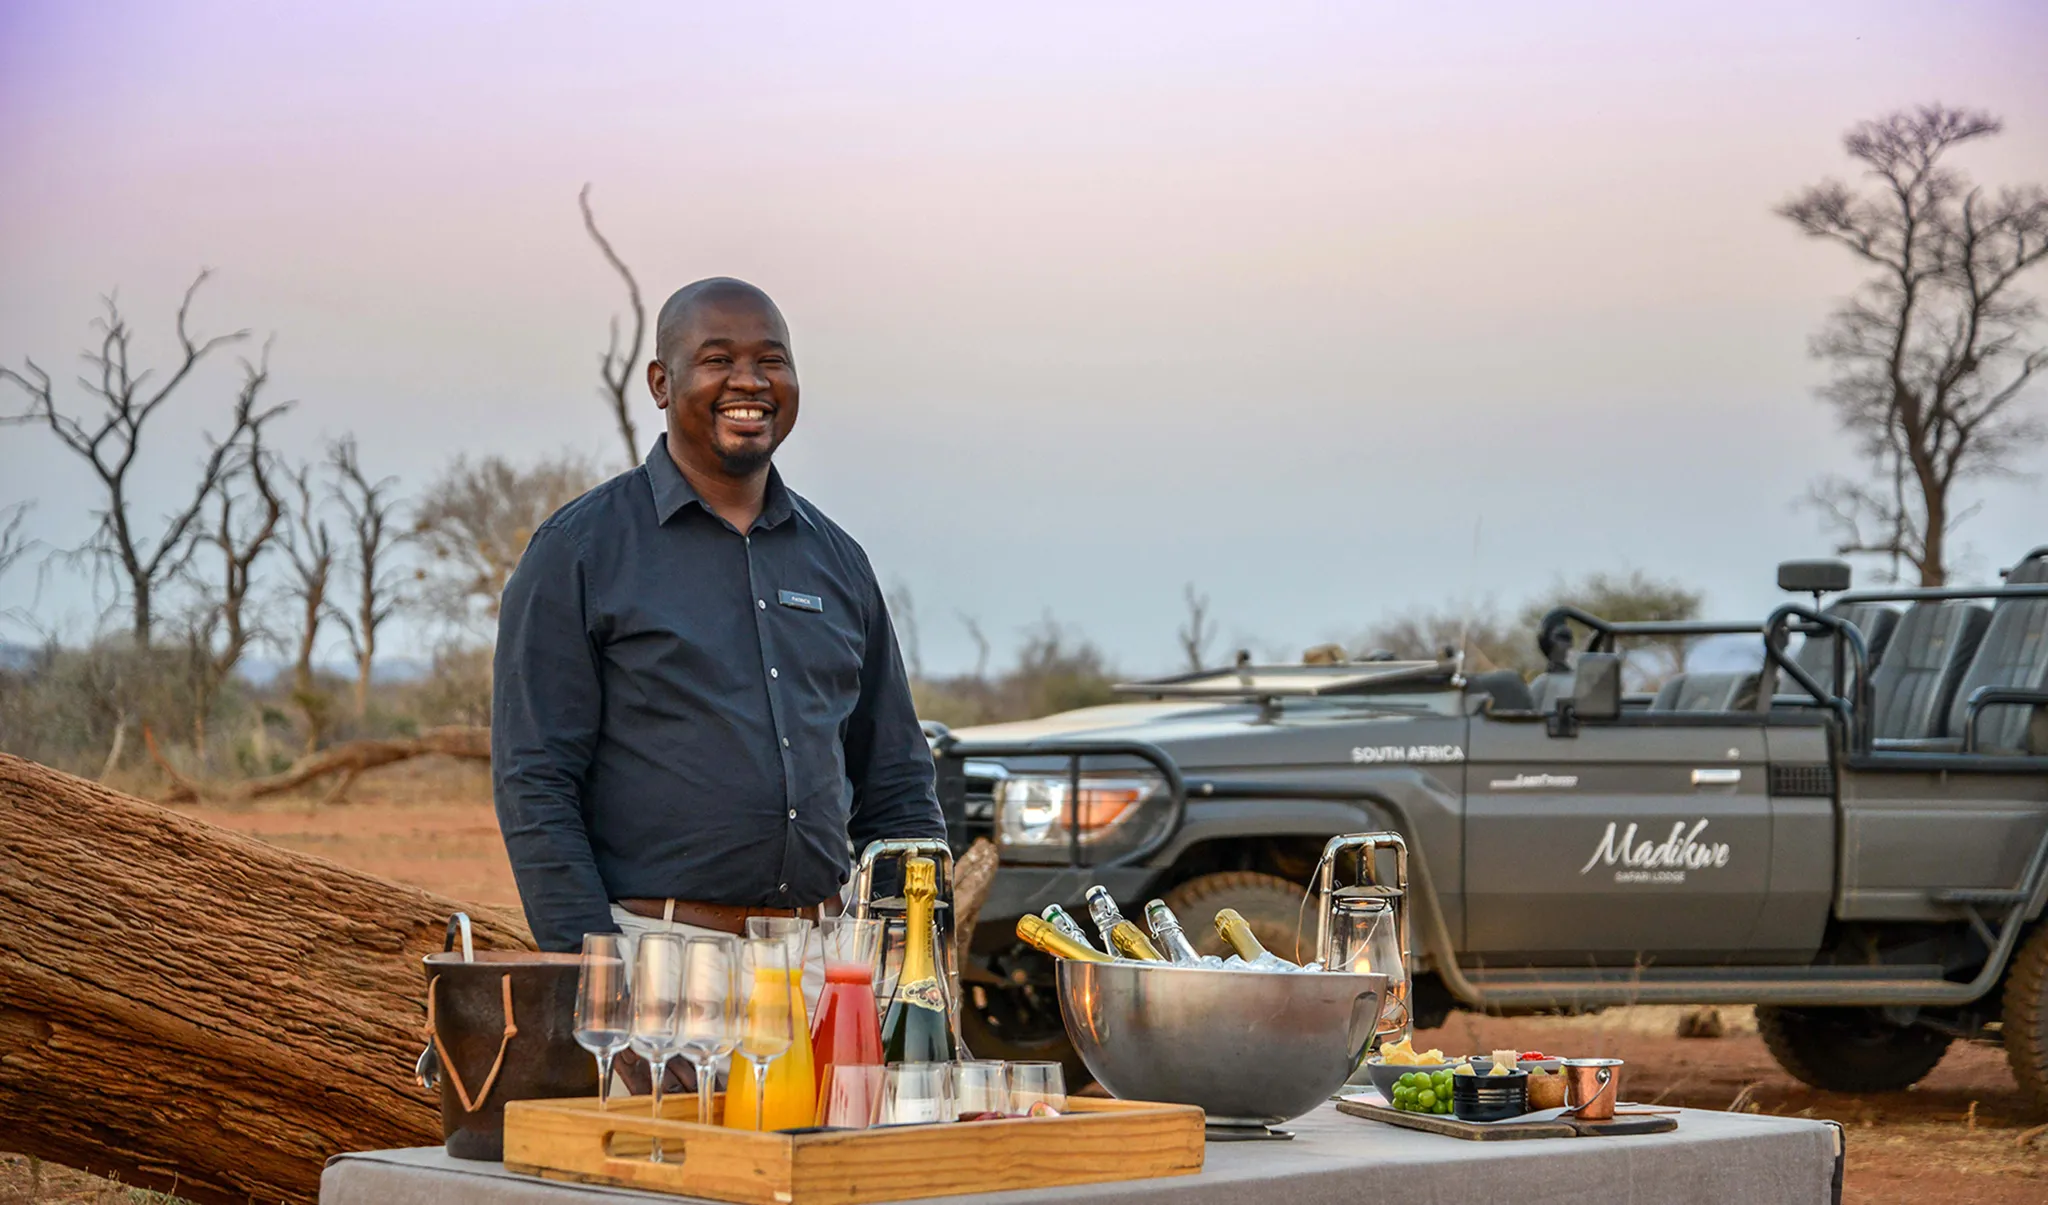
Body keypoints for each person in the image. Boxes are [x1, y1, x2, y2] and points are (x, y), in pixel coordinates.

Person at [491, 275, 947, 1022]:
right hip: (659, 966)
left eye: (772, 359)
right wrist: (599, 982)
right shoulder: (579, 552)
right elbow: (535, 783)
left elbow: (896, 782)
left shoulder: (838, 563)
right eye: (717, 359)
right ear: (661, 383)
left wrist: (906, 969)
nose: (750, 381)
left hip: (824, 971)